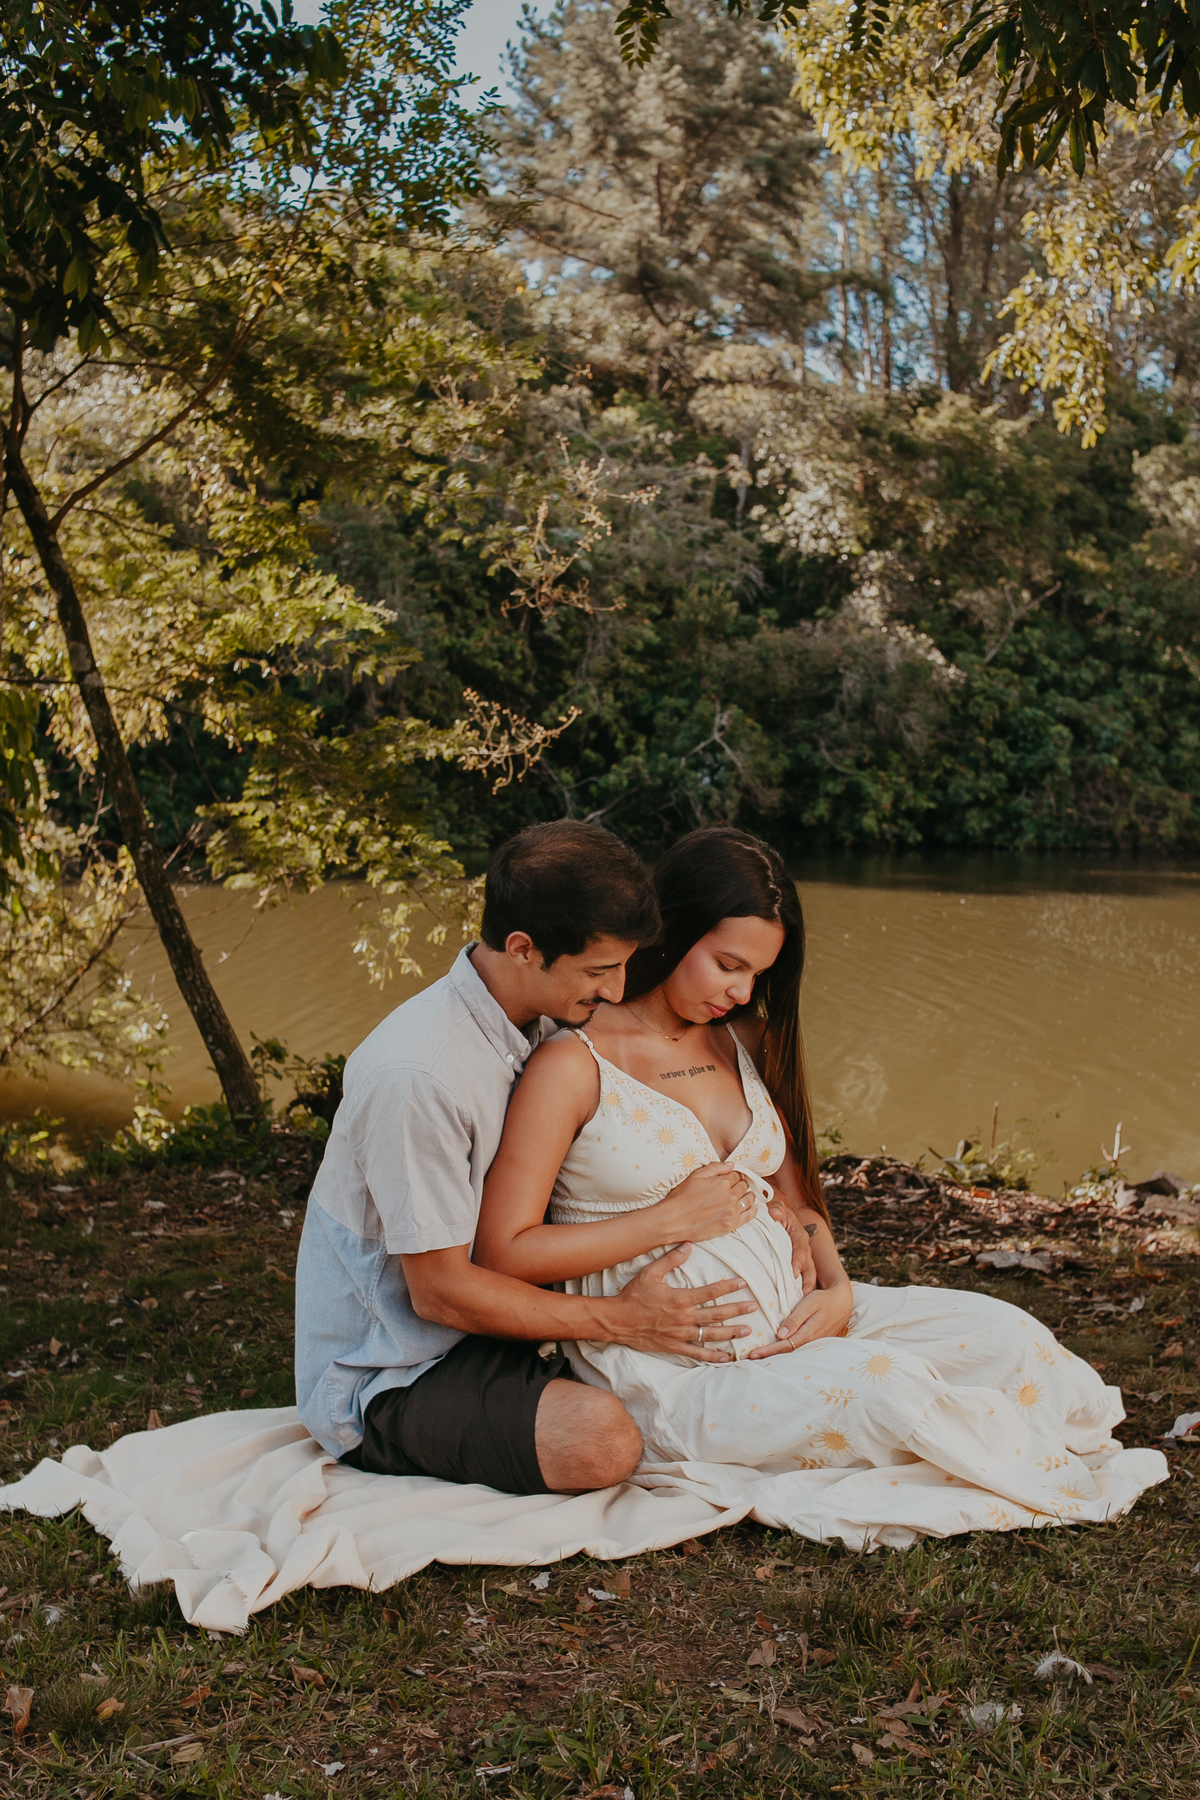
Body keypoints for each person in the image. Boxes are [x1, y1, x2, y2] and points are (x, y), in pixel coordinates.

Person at [474, 825, 1164, 1539]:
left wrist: (835, 1292)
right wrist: (669, 1221)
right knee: (887, 1390)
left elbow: (799, 1201)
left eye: (757, 975)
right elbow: (505, 1253)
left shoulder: (745, 1040)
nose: (740, 991)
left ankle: (998, 1424)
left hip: (804, 1322)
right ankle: (994, 1444)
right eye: (727, 964)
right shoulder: (573, 1065)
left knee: (1005, 1336)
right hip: (675, 1369)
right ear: (672, 929)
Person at [294, 819, 789, 1500]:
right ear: (523, 949)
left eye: (621, 966)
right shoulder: (420, 1075)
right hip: (400, 1368)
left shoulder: (547, 1021)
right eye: (598, 971)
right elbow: (439, 1292)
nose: (617, 990)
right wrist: (623, 1317)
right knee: (600, 1443)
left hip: (515, 1329)